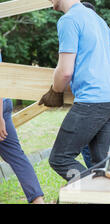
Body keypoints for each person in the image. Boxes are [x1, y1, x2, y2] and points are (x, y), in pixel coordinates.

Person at [40, 0, 110, 181]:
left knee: (59, 158)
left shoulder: (68, 20)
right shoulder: (96, 18)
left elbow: (65, 71)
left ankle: (88, 190)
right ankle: (102, 192)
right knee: (101, 164)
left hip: (92, 101)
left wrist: (55, 91)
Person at [0, 51, 45, 204]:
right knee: (16, 156)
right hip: (4, 103)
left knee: (16, 156)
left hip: (1, 106)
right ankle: (38, 201)